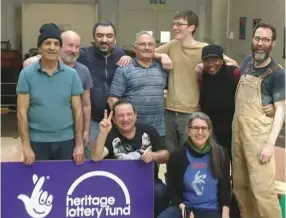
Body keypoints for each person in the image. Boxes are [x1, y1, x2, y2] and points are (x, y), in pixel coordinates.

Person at [154, 10, 238, 152]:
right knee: (171, 154)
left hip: (190, 112)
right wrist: (162, 56)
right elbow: (149, 52)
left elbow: (233, 64)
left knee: (189, 154)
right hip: (168, 111)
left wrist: (204, 64)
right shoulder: (172, 45)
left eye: (179, 24)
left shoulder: (203, 48)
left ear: (191, 28)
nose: (174, 27)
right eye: (174, 24)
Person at [232, 22, 285, 218]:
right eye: (257, 38)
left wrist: (270, 145)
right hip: (238, 134)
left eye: (266, 40)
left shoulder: (278, 73)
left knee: (263, 191)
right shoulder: (246, 62)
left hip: (259, 137)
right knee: (241, 186)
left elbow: (281, 111)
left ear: (273, 43)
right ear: (252, 40)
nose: (260, 43)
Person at [17, 23, 84, 165]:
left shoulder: (72, 75)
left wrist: (78, 144)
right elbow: (21, 111)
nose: (52, 47)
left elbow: (78, 111)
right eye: (47, 43)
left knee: (64, 183)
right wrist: (26, 146)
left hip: (66, 140)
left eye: (56, 44)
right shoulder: (26, 74)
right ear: (40, 48)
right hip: (37, 141)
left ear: (60, 48)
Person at [91, 100, 170, 216]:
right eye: (120, 115)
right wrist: (102, 133)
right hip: (118, 185)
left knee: (161, 191)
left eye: (129, 114)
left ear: (135, 115)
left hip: (148, 182)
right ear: (113, 119)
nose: (125, 119)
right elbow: (96, 157)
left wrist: (153, 156)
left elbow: (166, 155)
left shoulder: (148, 130)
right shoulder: (110, 135)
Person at [23, 30, 94, 148]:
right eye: (70, 45)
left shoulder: (83, 71)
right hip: (39, 135)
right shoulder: (33, 67)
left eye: (77, 47)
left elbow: (86, 105)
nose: (74, 50)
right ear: (60, 46)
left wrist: (85, 131)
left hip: (69, 135)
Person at [158, 112, 231, 218]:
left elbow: (226, 188)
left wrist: (225, 215)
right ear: (188, 131)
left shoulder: (221, 154)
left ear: (210, 131)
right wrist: (184, 208)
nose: (200, 132)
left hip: (211, 210)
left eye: (204, 128)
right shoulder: (177, 156)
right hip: (184, 208)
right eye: (195, 128)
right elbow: (172, 190)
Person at [77, 21, 132, 159]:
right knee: (93, 158)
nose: (104, 40)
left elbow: (142, 56)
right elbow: (63, 55)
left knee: (118, 158)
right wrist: (35, 58)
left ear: (115, 39)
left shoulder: (120, 54)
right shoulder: (84, 55)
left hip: (118, 121)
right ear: (93, 38)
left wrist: (129, 57)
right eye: (100, 36)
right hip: (93, 121)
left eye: (109, 36)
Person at [108, 31, 168, 137]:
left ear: (155, 47)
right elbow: (112, 99)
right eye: (142, 44)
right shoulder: (124, 69)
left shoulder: (163, 68)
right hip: (131, 131)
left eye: (150, 44)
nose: (147, 47)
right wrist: (123, 123)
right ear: (135, 47)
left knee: (160, 154)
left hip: (158, 130)